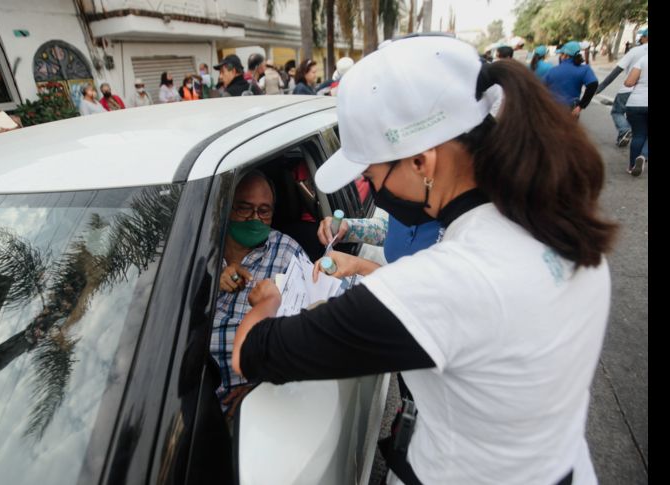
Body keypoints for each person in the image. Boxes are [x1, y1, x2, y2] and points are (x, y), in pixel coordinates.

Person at [231, 35, 616, 485]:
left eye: (371, 175)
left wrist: (267, 301)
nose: (375, 191)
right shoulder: (558, 221)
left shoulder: (446, 282)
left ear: (421, 162)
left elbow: (252, 352)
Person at [209, 171, 305, 411]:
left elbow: (306, 334)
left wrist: (262, 386)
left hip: (251, 399)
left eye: (264, 211)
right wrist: (210, 282)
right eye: (244, 208)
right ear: (226, 206)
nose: (254, 218)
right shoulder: (202, 246)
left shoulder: (288, 253)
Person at [595, 28, 647, 147]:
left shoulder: (635, 51)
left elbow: (617, 71)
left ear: (645, 37)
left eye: (642, 37)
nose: (640, 39)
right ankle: (626, 139)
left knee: (617, 112)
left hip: (629, 90)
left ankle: (624, 130)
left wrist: (600, 88)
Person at [543, 40, 598, 120]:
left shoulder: (552, 70)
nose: (560, 57)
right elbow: (593, 85)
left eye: (561, 54)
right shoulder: (584, 69)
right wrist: (581, 106)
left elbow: (541, 87)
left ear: (565, 55)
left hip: (553, 108)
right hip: (572, 109)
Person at [624, 54, 648, 176]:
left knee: (638, 135)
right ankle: (643, 156)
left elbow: (629, 82)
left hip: (636, 103)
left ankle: (632, 166)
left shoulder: (644, 58)